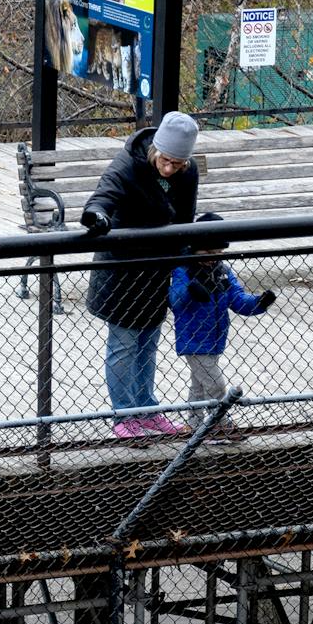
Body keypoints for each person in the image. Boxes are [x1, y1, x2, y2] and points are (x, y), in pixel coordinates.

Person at [80, 111, 200, 438]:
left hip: (157, 270)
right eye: (166, 160)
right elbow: (104, 195)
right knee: (124, 344)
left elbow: (185, 220)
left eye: (178, 163)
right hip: (123, 271)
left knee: (148, 342)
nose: (170, 168)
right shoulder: (128, 164)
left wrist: (182, 264)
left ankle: (146, 408)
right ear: (155, 151)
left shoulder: (187, 172)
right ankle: (124, 415)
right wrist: (97, 216)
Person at [166, 213, 276, 440]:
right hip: (194, 341)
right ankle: (221, 423)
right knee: (216, 385)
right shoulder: (183, 270)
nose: (212, 258)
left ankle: (195, 427)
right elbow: (175, 301)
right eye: (207, 253)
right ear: (195, 248)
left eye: (217, 254)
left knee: (199, 387)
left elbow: (237, 300)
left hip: (215, 339)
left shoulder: (222, 272)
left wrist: (259, 302)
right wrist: (192, 290)